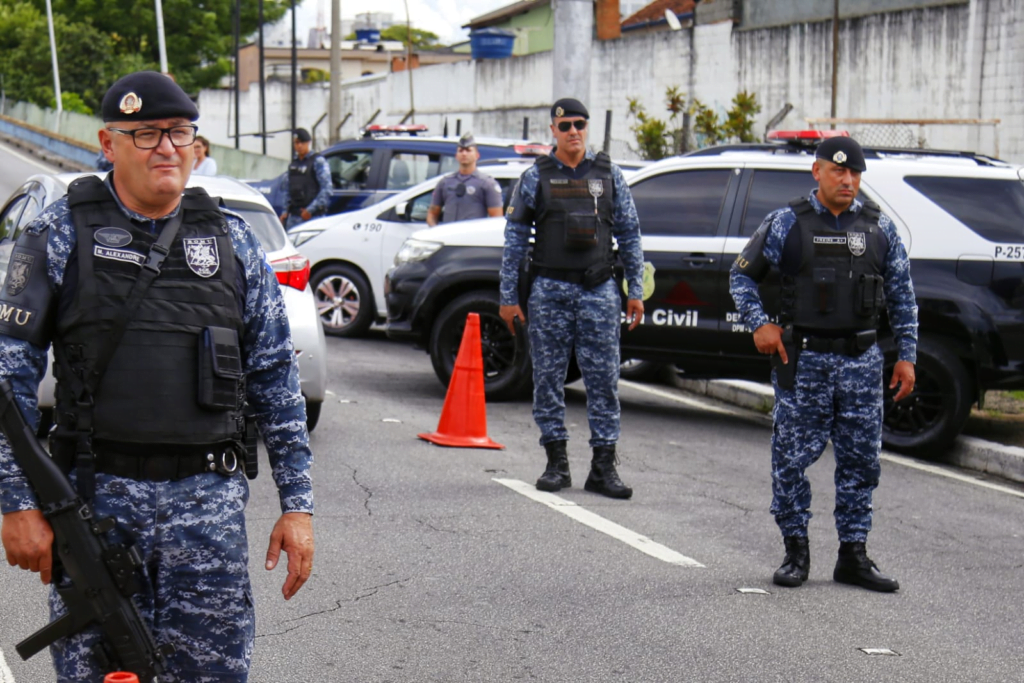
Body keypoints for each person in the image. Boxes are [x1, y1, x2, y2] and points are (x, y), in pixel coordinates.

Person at [0, 70, 314, 681]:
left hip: (209, 514)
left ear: (197, 146)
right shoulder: (60, 232)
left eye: (178, 132)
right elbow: (7, 379)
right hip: (95, 508)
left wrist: (298, 507)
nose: (166, 147)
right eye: (144, 133)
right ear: (108, 142)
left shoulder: (236, 241)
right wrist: (15, 504)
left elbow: (277, 380)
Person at [729, 136, 917, 593]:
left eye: (854, 173)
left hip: (861, 363)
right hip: (805, 360)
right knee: (791, 460)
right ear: (817, 172)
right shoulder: (785, 224)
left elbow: (902, 297)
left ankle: (853, 555)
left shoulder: (879, 229)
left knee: (861, 462)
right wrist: (759, 325)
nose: (848, 180)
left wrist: (908, 356)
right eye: (838, 171)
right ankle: (796, 552)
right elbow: (741, 276)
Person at [499, 97, 645, 500]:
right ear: (554, 130)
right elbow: (514, 241)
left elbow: (630, 235)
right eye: (565, 126)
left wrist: (636, 291)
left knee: (604, 381)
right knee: (547, 377)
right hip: (550, 291)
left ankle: (603, 467)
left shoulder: (610, 174)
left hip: (599, 290)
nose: (574, 132)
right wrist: (508, 296)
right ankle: (555, 462)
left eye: (580, 124)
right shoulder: (535, 177)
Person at [426, 133, 504, 226]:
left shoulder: (487, 184)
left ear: (477, 155)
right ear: (456, 155)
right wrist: (435, 231)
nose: (464, 153)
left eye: (468, 150)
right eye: (461, 150)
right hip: (447, 237)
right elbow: (432, 214)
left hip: (471, 238)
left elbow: (496, 219)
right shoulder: (445, 182)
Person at [279, 128, 331, 229]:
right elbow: (287, 190)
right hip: (294, 218)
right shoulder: (294, 165)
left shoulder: (317, 161)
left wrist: (310, 210)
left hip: (312, 217)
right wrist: (285, 211)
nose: (299, 146)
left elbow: (327, 189)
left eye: (302, 142)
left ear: (308, 143)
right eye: (296, 143)